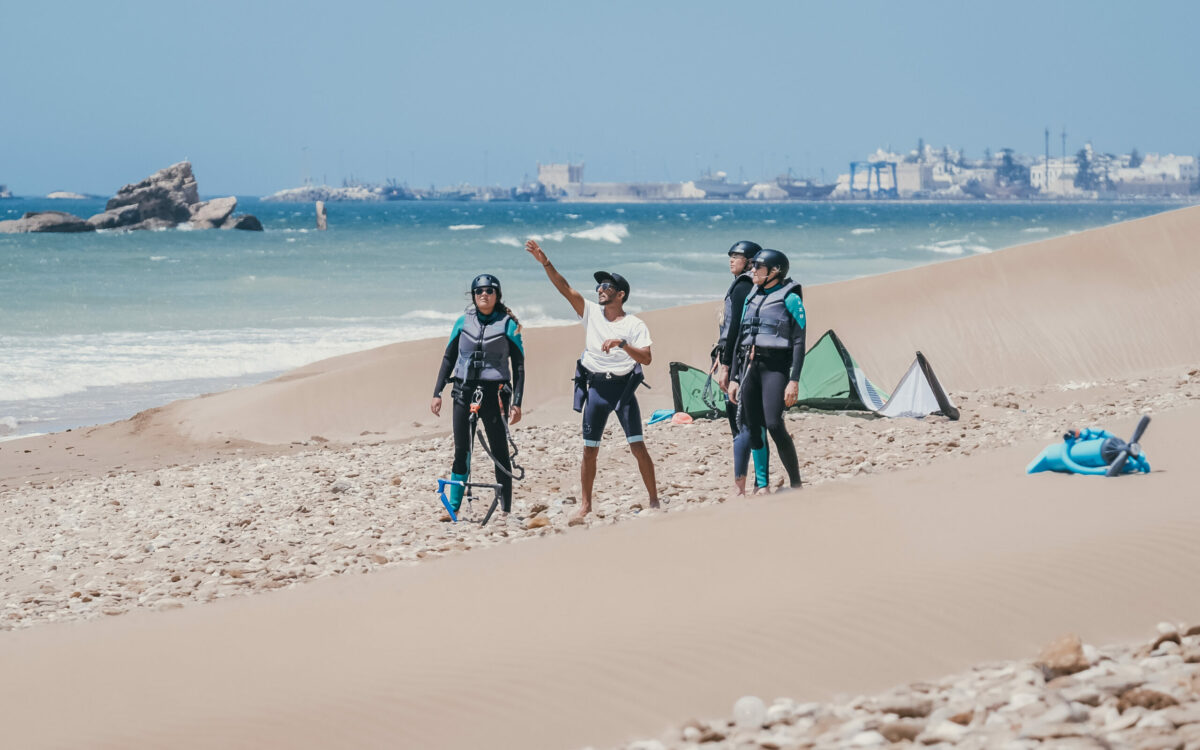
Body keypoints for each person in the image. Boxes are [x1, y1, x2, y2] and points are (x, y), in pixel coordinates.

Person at [524, 239, 658, 521]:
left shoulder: (634, 324)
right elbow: (564, 288)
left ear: (620, 295)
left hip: (622, 390)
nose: (600, 290)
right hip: (597, 388)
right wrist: (545, 263)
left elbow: (646, 358)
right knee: (589, 449)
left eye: (606, 287)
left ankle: (654, 500)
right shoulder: (591, 312)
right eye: (599, 286)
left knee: (637, 446)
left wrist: (622, 344)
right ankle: (585, 505)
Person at [430, 274, 524, 521]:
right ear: (473, 295)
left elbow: (520, 366)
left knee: (499, 451)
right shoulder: (463, 322)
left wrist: (517, 402)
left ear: (497, 295)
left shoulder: (508, 324)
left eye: (490, 291)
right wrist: (437, 392)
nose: (484, 294)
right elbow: (449, 358)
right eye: (479, 291)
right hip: (464, 392)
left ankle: (505, 509)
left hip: (495, 396)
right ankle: (454, 508)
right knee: (462, 451)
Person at [728, 249, 806, 489]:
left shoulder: (790, 298)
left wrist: (794, 380)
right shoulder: (751, 295)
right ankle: (762, 485)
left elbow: (799, 341)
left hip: (775, 368)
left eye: (758, 267)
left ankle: (796, 484)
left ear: (775, 271)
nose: (753, 270)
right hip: (750, 367)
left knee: (773, 424)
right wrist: (733, 377)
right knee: (754, 427)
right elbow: (740, 335)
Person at [716, 240, 771, 496]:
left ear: (750, 261)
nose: (731, 260)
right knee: (747, 422)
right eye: (730, 255)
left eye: (736, 256)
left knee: (743, 423)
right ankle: (755, 482)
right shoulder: (748, 285)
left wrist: (726, 365)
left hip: (740, 362)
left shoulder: (742, 286)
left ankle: (746, 485)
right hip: (738, 358)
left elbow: (736, 330)